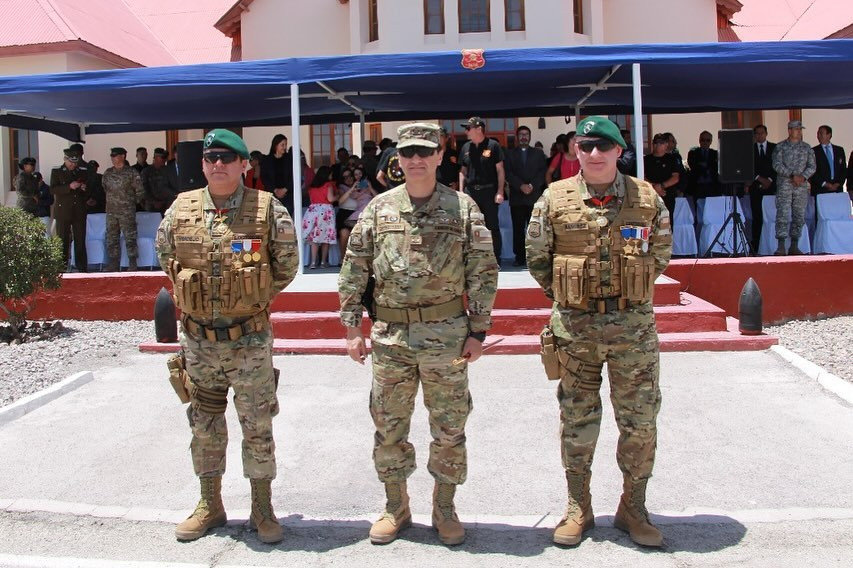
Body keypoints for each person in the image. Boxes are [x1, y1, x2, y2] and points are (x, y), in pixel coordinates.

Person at [338, 122, 499, 546]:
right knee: (389, 426)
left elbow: (483, 271)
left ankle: (444, 508)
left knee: (449, 426)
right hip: (390, 336)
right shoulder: (378, 209)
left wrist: (479, 330)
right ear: (397, 158)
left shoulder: (462, 208)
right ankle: (396, 506)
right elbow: (354, 267)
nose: (415, 159)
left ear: (440, 155)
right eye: (407, 152)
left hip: (447, 335)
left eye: (424, 151)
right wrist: (353, 327)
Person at [526, 116, 672, 548]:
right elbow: (538, 256)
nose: (593, 153)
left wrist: (627, 292)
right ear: (576, 151)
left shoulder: (647, 199)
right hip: (575, 330)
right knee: (577, 422)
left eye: (603, 146)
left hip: (634, 331)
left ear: (618, 151)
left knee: (640, 422)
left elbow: (661, 252)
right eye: (586, 146)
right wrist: (574, 296)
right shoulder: (554, 199)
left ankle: (634, 507)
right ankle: (579, 506)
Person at [156, 129, 299, 544]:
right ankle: (210, 504)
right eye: (211, 157)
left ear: (244, 165)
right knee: (204, 422)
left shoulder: (267, 209)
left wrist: (248, 299)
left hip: (249, 340)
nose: (218, 164)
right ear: (202, 165)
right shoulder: (180, 210)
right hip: (198, 341)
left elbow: (286, 265)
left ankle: (262, 508)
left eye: (228, 157)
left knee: (257, 424)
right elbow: (167, 257)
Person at [459, 116, 506, 262]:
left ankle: (495, 259)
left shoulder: (493, 146)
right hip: (471, 192)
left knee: (491, 226)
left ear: (479, 129)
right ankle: (473, 258)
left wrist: (500, 191)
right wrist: (461, 192)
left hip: (489, 192)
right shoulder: (466, 147)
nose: (466, 131)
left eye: (468, 128)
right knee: (470, 226)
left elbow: (500, 170)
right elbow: (462, 171)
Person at [771, 120, 816, 256]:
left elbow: (812, 166)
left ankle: (794, 245)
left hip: (800, 186)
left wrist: (802, 177)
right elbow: (777, 165)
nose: (799, 132)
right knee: (783, 214)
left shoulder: (807, 148)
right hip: (785, 185)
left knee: (799, 215)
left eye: (800, 129)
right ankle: (781, 246)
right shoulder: (780, 147)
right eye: (796, 129)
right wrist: (792, 175)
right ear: (789, 130)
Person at [505, 125, 547, 266]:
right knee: (518, 230)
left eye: (526, 134)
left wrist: (532, 185)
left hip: (533, 197)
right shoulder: (510, 154)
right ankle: (520, 257)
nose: (524, 137)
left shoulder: (538, 153)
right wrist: (520, 185)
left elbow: (543, 172)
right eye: (521, 134)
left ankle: (535, 257)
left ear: (529, 136)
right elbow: (508, 173)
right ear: (517, 137)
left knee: (535, 229)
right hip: (517, 198)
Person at [102, 147, 144, 271]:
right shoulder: (108, 173)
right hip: (111, 211)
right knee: (112, 237)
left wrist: (130, 203)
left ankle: (132, 263)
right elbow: (105, 188)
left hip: (127, 211)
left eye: (115, 156)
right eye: (112, 156)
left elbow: (140, 191)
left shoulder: (131, 173)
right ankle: (114, 263)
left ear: (123, 156)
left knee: (130, 237)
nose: (113, 158)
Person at [50, 147, 89, 272]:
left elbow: (87, 188)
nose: (73, 165)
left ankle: (82, 267)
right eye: (71, 163)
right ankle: (61, 268)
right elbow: (53, 189)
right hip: (63, 210)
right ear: (65, 159)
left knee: (80, 239)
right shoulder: (57, 172)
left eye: (75, 163)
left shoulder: (81, 171)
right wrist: (69, 187)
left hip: (78, 210)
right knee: (62, 240)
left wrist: (83, 188)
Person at [302, 165, 338, 268]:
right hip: (325, 211)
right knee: (326, 237)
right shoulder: (328, 185)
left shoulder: (312, 186)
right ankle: (323, 262)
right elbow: (330, 199)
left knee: (314, 238)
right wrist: (337, 196)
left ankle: (313, 262)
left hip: (313, 210)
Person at [748, 124, 777, 250]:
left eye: (762, 133)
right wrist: (759, 178)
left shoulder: (774, 148)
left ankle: (773, 244)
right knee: (757, 217)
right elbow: (748, 167)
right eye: (757, 133)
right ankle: (757, 244)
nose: (760, 135)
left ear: (766, 133)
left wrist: (769, 180)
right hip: (756, 187)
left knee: (772, 217)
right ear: (754, 136)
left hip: (771, 187)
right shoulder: (749, 149)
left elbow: (778, 166)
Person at [644, 133, 681, 221]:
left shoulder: (672, 159)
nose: (658, 145)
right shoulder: (646, 160)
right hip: (650, 196)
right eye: (655, 142)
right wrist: (654, 187)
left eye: (661, 142)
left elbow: (675, 177)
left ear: (666, 144)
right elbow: (642, 176)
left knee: (667, 222)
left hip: (667, 195)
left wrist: (661, 186)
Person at [261, 134, 295, 217]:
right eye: (282, 145)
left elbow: (293, 175)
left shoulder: (289, 159)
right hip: (272, 194)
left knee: (286, 218)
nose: (284, 147)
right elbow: (264, 177)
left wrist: (285, 189)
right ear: (276, 145)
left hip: (287, 195)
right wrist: (275, 190)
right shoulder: (267, 160)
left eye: (285, 144)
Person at [810, 124, 847, 196]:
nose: (818, 136)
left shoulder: (839, 150)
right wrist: (825, 184)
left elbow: (843, 169)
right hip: (820, 190)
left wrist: (838, 183)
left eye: (821, 133)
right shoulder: (813, 151)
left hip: (837, 190)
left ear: (829, 135)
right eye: (818, 133)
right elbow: (812, 171)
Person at [141, 147, 178, 214]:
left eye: (166, 158)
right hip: (151, 207)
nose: (165, 160)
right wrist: (154, 202)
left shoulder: (167, 170)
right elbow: (144, 190)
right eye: (163, 158)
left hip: (166, 205)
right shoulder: (146, 172)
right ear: (156, 157)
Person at [686, 131, 720, 199]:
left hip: (712, 186)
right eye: (702, 140)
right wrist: (708, 165)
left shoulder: (715, 154)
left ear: (711, 141)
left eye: (707, 140)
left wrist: (703, 164)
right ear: (699, 140)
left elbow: (716, 168)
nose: (704, 142)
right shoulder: (693, 153)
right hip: (697, 186)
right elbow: (693, 166)